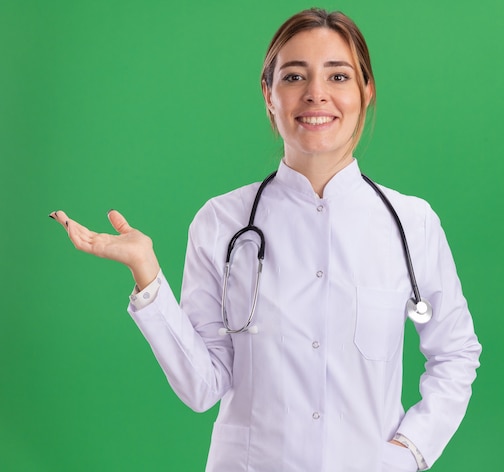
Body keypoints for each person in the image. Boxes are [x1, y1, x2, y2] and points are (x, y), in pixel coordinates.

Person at [50, 8, 481, 472]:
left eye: (338, 76)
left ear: (366, 91)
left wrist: (411, 450)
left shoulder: (411, 222)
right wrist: (147, 275)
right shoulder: (221, 222)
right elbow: (203, 387)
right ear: (269, 95)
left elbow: (455, 354)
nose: (316, 94)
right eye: (295, 76)